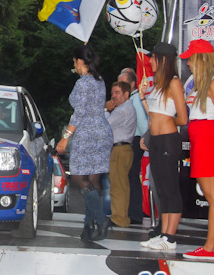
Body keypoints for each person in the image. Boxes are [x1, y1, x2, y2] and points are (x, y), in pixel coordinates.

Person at [179, 39, 214, 260]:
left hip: (208, 139)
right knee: (211, 195)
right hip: (200, 139)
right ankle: (213, 246)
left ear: (201, 59)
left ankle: (211, 249)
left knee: (213, 196)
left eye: (191, 59)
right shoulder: (201, 84)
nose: (188, 63)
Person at [55, 45, 114, 241]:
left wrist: (66, 137)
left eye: (74, 61)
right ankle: (89, 226)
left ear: (80, 61)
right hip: (102, 132)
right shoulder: (99, 80)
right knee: (94, 180)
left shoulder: (82, 84)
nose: (73, 65)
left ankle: (101, 219)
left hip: (88, 133)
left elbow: (79, 112)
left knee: (79, 178)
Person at [138, 42, 188, 251]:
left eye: (153, 57)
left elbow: (182, 118)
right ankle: (163, 233)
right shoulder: (158, 83)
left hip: (168, 139)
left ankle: (170, 237)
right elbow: (153, 114)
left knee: (170, 188)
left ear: (163, 59)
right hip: (156, 141)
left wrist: (166, 122)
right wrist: (142, 96)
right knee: (160, 188)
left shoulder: (174, 82)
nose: (150, 61)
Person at [118, 68, 150, 223]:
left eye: (123, 83)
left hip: (135, 141)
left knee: (131, 177)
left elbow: (143, 123)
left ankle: (134, 214)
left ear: (132, 84)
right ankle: (131, 213)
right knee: (129, 177)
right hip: (132, 141)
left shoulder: (136, 100)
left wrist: (146, 139)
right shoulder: (129, 99)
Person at [105, 81, 137, 229]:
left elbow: (105, 126)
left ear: (126, 94)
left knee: (118, 186)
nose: (114, 96)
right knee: (121, 185)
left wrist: (106, 110)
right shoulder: (127, 108)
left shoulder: (121, 110)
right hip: (123, 149)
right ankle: (120, 216)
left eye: (117, 93)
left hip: (119, 149)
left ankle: (119, 218)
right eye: (112, 93)